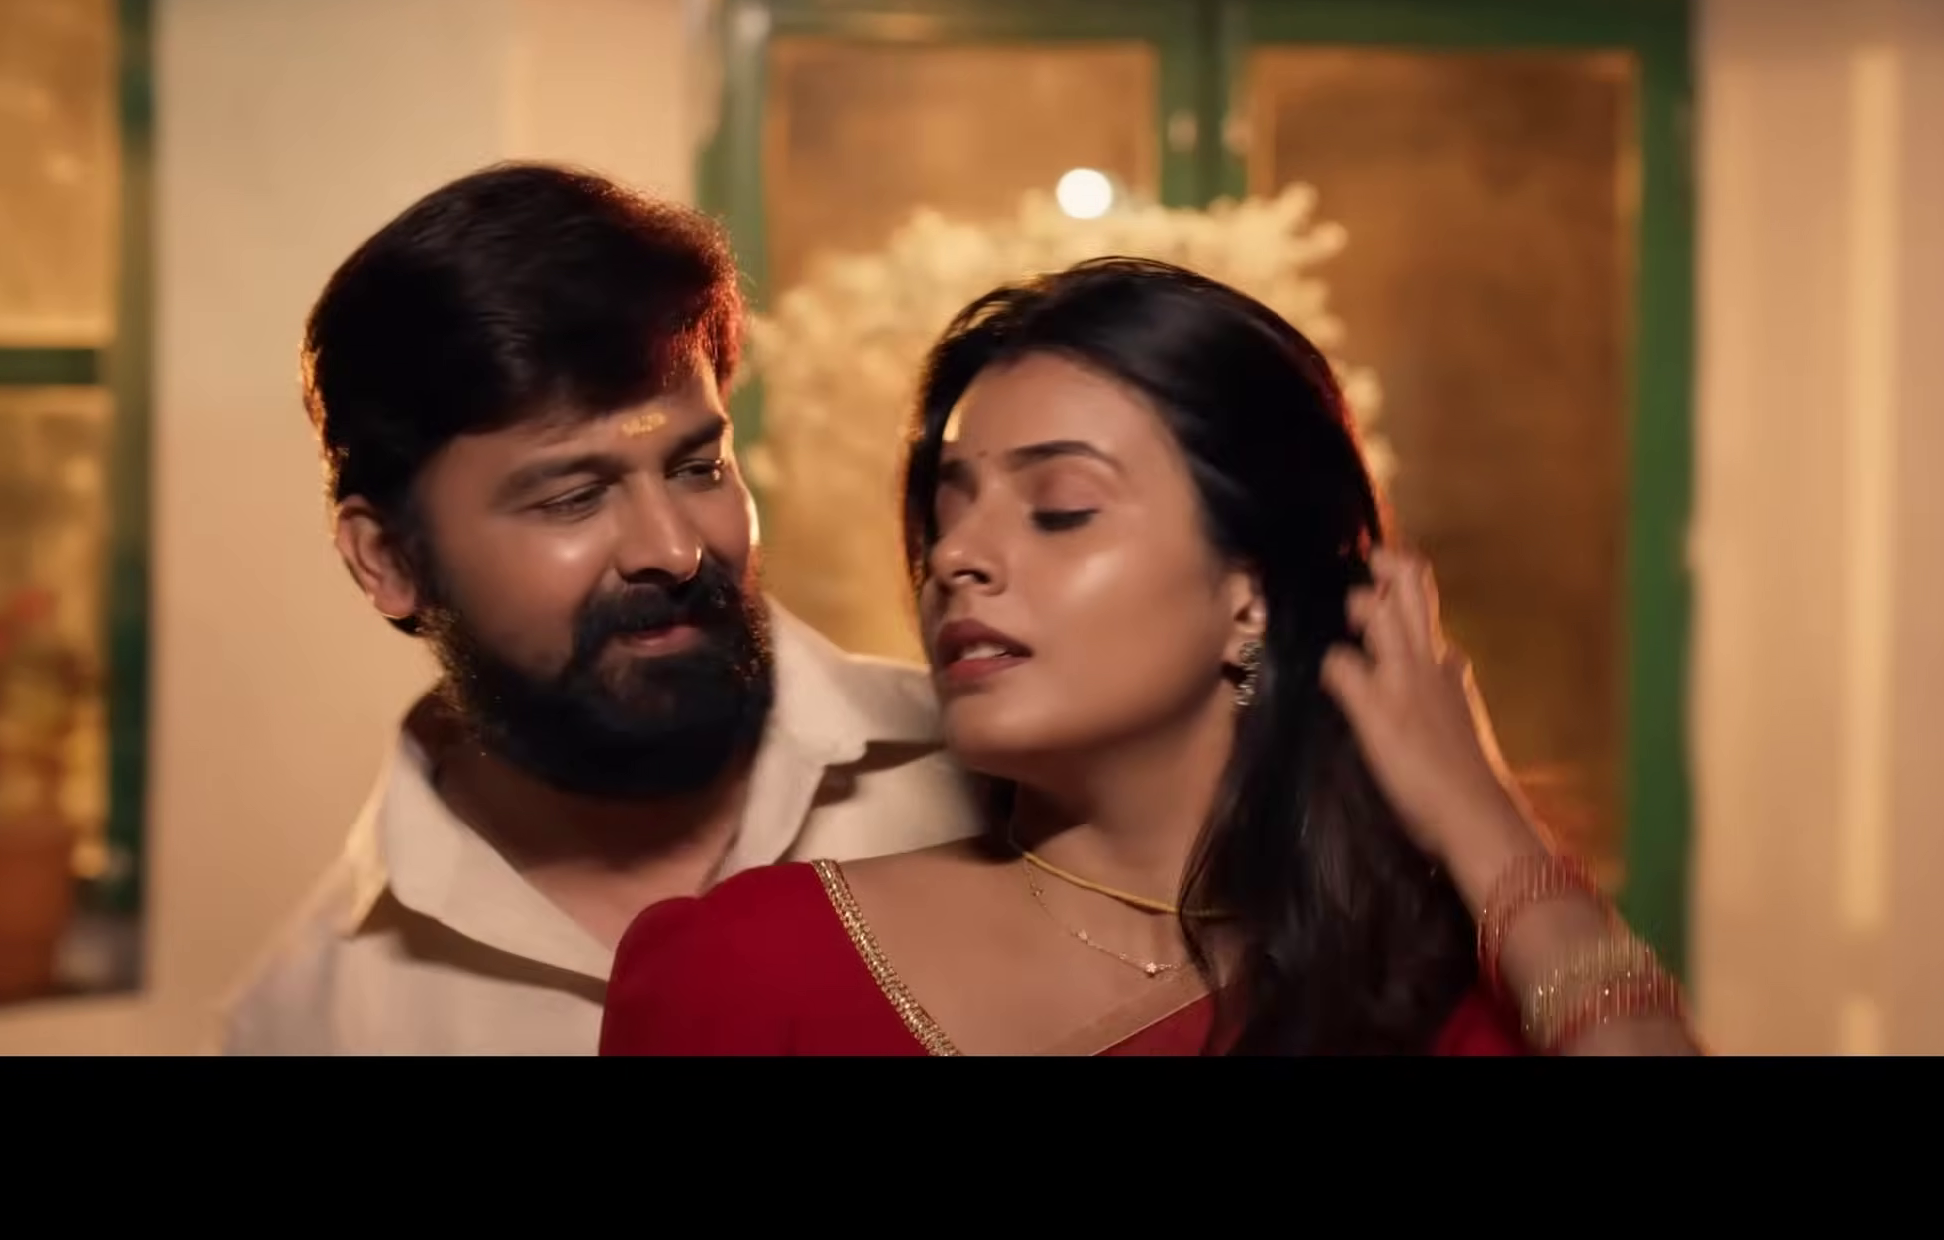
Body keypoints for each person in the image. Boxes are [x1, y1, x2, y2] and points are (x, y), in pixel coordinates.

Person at [598, 258, 1702, 1056]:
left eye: (1061, 508)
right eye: (949, 510)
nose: (959, 558)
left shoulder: (1419, 999)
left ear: (1251, 590)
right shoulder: (754, 974)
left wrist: (1480, 817)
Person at [220, 163, 978, 1055]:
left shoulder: (1005, 792)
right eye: (573, 497)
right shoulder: (312, 1023)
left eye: (699, 468)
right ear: (387, 560)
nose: (673, 549)